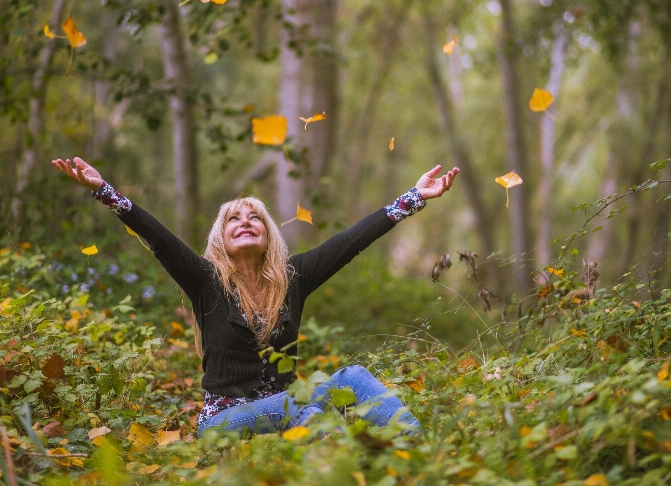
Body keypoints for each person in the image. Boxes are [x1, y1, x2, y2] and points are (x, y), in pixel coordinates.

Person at [51, 156, 459, 438]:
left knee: (350, 380)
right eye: (234, 218)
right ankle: (337, 459)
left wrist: (415, 197)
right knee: (304, 410)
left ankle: (414, 448)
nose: (245, 221)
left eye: (254, 218)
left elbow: (351, 241)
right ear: (221, 238)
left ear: (268, 236)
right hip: (224, 420)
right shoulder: (206, 280)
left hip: (289, 404)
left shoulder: (293, 278)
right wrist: (104, 190)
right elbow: (158, 238)